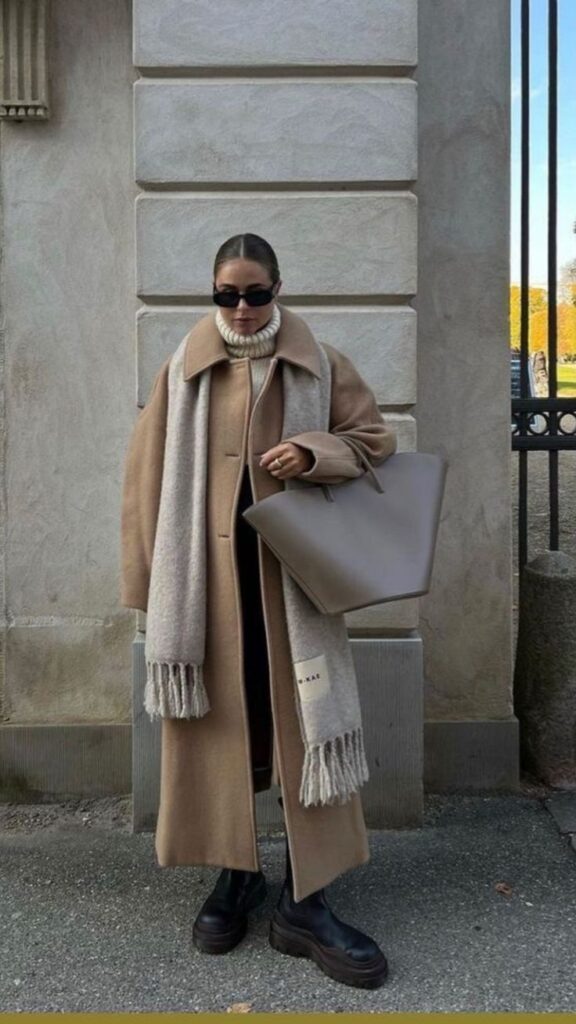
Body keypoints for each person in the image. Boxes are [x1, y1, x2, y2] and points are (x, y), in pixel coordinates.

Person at [120, 233, 398, 989]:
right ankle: (234, 875)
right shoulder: (184, 369)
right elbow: (146, 480)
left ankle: (308, 899)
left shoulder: (320, 362)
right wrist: (148, 585)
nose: (240, 310)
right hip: (208, 587)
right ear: (211, 295)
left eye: (254, 294)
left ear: (277, 289)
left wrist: (312, 452)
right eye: (225, 295)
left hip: (292, 588)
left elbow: (374, 440)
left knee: (303, 728)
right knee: (224, 731)